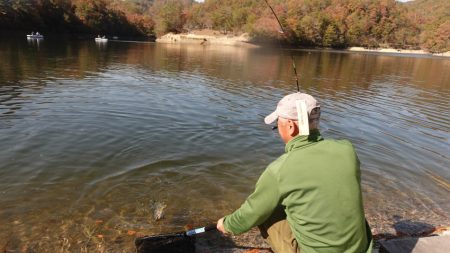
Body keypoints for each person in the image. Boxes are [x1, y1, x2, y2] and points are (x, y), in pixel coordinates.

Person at [216, 92, 373, 253]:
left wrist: (226, 224)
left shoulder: (279, 170)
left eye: (277, 124)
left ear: (290, 126)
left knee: (267, 211)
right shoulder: (347, 149)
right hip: (361, 249)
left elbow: (250, 214)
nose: (277, 129)